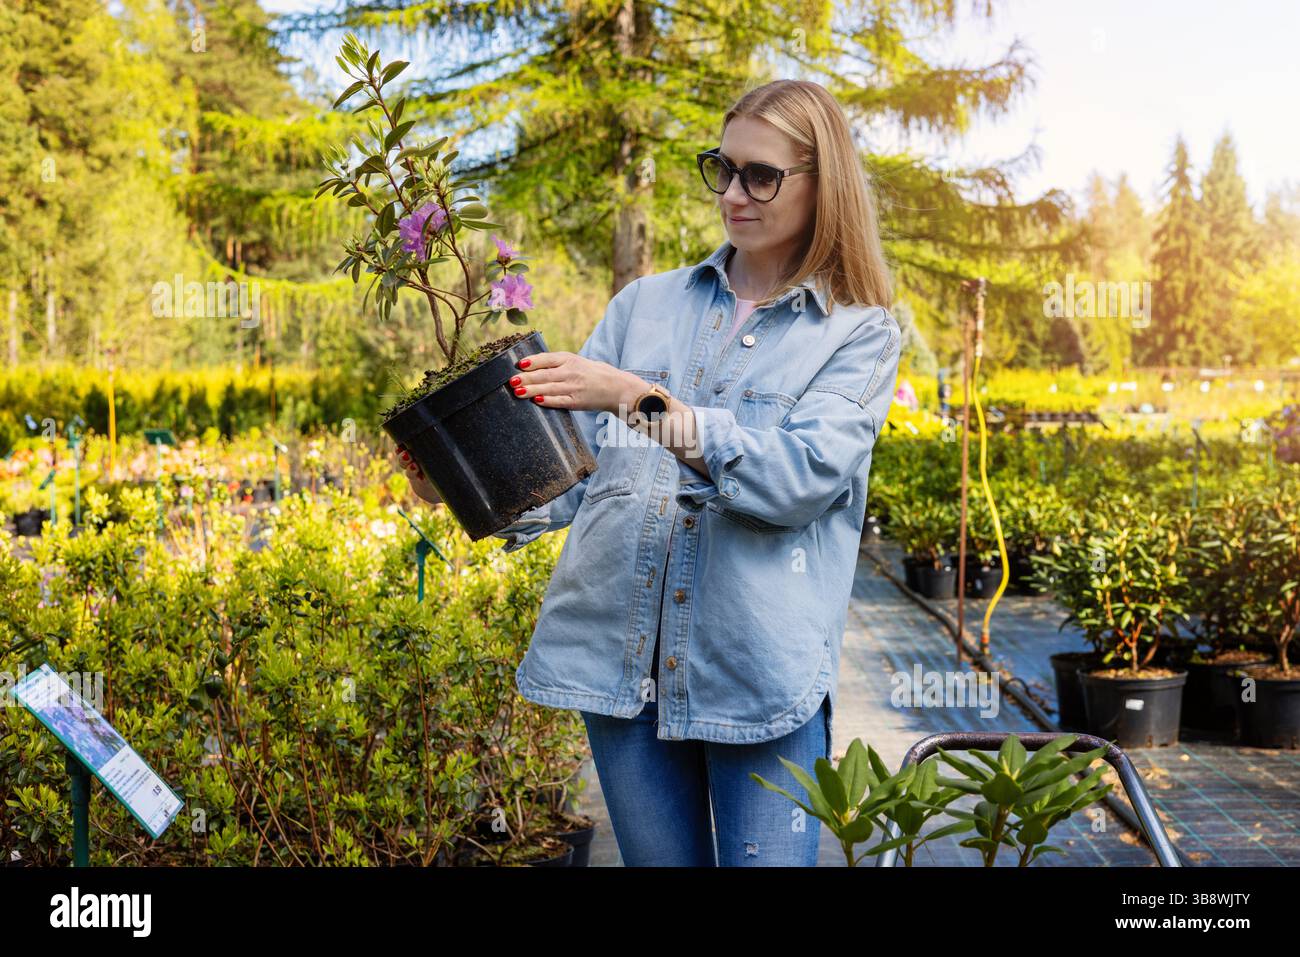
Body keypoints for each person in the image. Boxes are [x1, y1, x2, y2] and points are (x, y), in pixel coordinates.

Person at [395, 78, 899, 866]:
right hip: (622, 669)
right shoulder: (644, 306)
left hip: (756, 680)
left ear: (822, 183)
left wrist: (638, 398)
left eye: (760, 175)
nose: (733, 193)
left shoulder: (857, 334)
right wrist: (449, 476)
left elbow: (797, 478)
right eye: (722, 168)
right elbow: (573, 479)